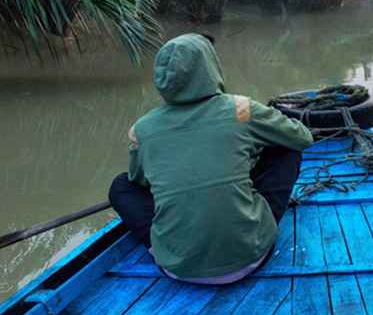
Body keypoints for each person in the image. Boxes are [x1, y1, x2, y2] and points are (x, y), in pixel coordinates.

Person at [108, 33, 313, 284]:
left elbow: (139, 182)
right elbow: (302, 138)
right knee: (287, 148)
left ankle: (165, 247)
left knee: (121, 186)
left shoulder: (142, 129)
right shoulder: (241, 109)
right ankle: (253, 227)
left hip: (177, 268)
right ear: (210, 66)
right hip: (252, 256)